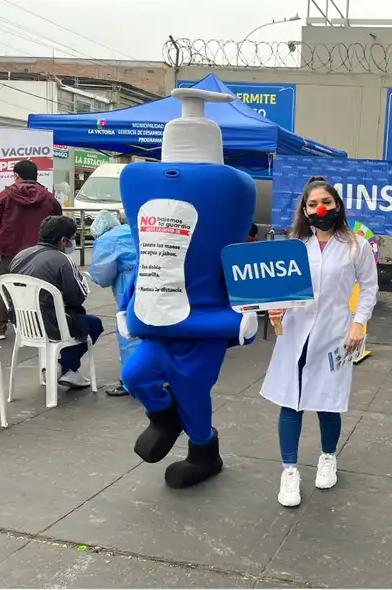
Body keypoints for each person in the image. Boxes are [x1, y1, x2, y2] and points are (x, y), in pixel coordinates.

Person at [117, 88, 260, 490]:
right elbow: (149, 259)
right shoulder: (137, 178)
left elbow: (241, 266)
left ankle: (204, 449)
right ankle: (164, 417)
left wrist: (244, 314)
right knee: (135, 373)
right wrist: (129, 303)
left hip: (203, 321)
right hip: (156, 313)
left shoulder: (234, 186)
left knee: (193, 390)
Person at [261, 176, 379, 508]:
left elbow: (369, 288)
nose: (319, 208)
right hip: (296, 332)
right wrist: (276, 313)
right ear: (304, 209)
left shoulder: (357, 245)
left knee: (329, 400)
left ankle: (328, 456)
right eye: (312, 204)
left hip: (337, 334)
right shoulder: (295, 245)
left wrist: (359, 323)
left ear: (337, 205)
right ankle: (289, 470)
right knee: (291, 399)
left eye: (325, 202)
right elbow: (280, 290)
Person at [8, 215, 102, 389]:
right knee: (93, 324)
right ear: (63, 240)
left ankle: (65, 369)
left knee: (71, 319)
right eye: (72, 239)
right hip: (51, 325)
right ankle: (66, 368)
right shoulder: (63, 261)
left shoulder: (20, 255)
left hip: (22, 323)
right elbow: (77, 297)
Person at [0, 159, 63, 339]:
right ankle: (34, 327)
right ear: (36, 176)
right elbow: (57, 219)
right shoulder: (48, 197)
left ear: (16, 175)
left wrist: (9, 223)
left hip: (10, 247)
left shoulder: (6, 194)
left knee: (5, 286)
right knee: (37, 288)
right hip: (39, 250)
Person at [87, 211, 139, 396]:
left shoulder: (107, 240)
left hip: (129, 284)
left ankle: (133, 382)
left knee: (128, 329)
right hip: (153, 281)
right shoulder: (131, 230)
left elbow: (103, 275)